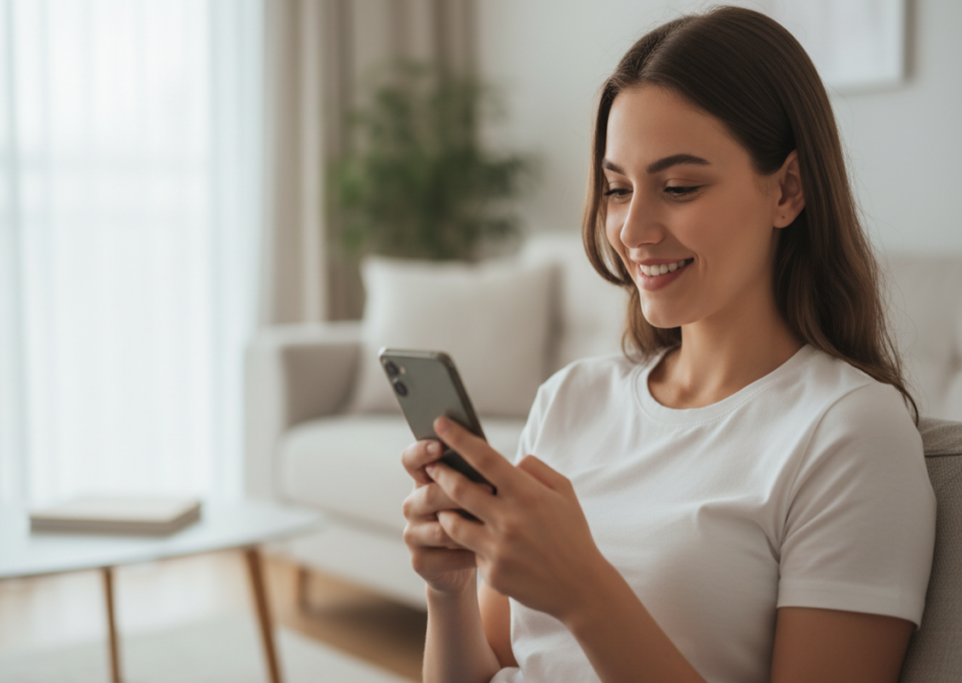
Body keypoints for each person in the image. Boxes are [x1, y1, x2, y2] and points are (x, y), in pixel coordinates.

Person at [400, 6, 936, 683]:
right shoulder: (571, 397)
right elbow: (493, 665)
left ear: (789, 189)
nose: (632, 230)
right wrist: (447, 591)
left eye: (679, 187)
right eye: (618, 189)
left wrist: (585, 589)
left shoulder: (850, 432)